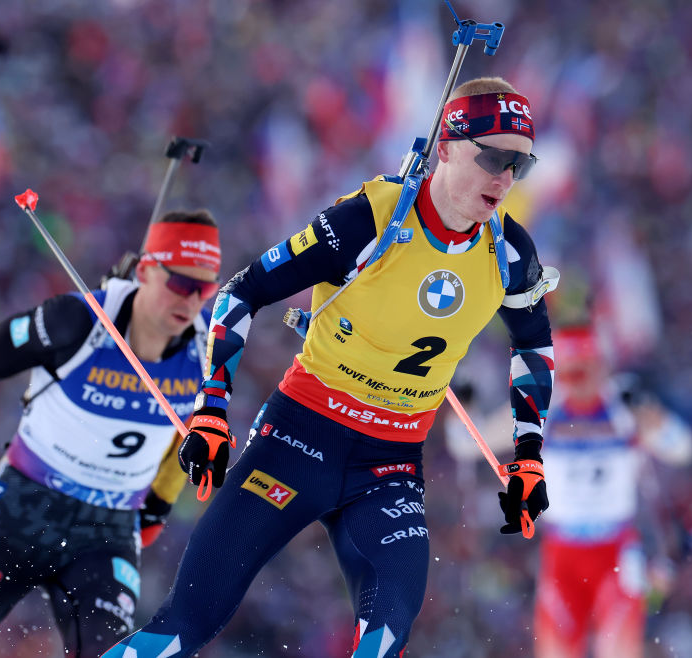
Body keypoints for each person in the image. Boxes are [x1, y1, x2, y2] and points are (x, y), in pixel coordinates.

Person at [104, 76, 556, 658]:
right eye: (491, 156)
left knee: (385, 636)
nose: (504, 177)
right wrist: (212, 411)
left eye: (521, 164)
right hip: (300, 437)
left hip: (389, 463)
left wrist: (529, 457)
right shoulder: (372, 219)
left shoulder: (511, 252)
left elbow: (535, 347)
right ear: (444, 146)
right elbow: (241, 293)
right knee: (180, 630)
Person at [0, 210, 223, 657]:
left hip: (107, 531)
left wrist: (156, 508)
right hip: (20, 508)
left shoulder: (208, 353)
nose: (193, 301)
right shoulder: (77, 322)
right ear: (144, 270)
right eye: (179, 282)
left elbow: (192, 435)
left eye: (206, 288)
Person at [533, 324, 692, 658]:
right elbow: (469, 442)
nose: (579, 382)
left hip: (616, 551)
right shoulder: (543, 405)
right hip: (562, 553)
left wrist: (654, 418)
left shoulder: (622, 405)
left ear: (602, 365)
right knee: (556, 650)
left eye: (586, 370)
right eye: (570, 372)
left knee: (619, 649)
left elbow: (682, 450)